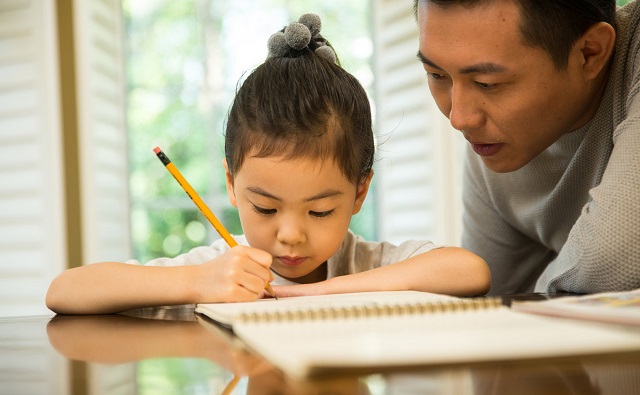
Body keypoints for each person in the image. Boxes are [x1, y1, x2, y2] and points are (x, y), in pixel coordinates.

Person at [46, 13, 490, 315]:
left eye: (319, 211)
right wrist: (197, 284)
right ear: (232, 184)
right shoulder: (217, 271)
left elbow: (470, 271)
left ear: (359, 191)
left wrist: (314, 295)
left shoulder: (369, 265)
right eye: (264, 208)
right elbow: (64, 291)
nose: (290, 235)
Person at [413, 0, 640, 295]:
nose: (459, 118)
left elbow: (614, 260)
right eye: (437, 75)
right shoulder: (495, 144)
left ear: (589, 53)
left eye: (487, 83)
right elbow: (485, 311)